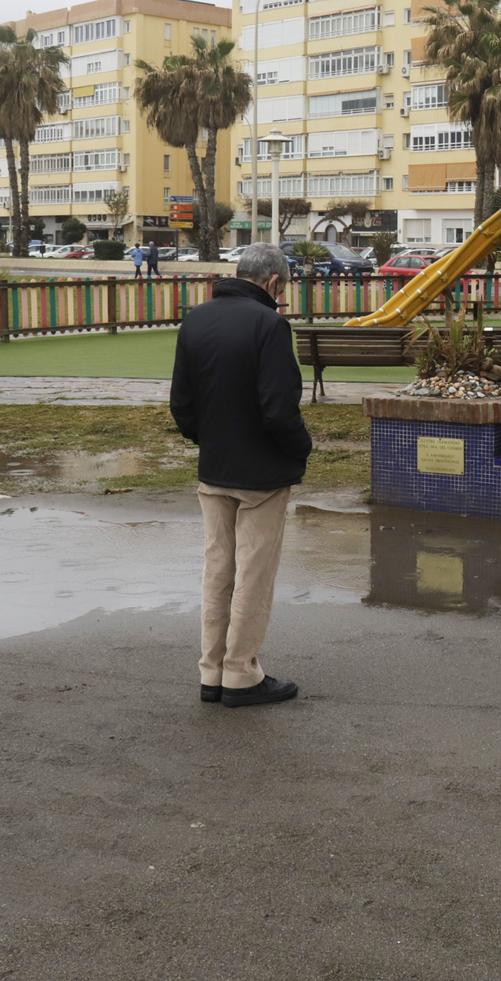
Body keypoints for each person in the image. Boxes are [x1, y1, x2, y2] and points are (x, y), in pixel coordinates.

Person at [170, 242, 312, 707]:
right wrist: (301, 449)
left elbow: (182, 405)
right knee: (253, 574)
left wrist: (209, 440)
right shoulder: (270, 325)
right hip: (262, 475)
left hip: (214, 468)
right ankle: (241, 674)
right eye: (283, 287)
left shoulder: (196, 319)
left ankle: (210, 671)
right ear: (272, 282)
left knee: (218, 570)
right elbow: (278, 409)